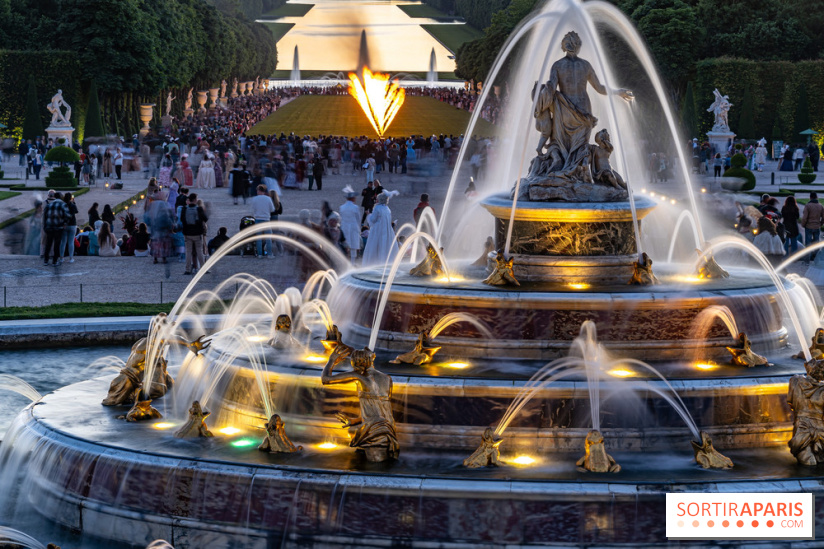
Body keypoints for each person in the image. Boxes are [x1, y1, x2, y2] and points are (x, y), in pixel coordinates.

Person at [362, 192, 398, 266]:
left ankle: (374, 264)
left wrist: (368, 215)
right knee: (385, 246)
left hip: (378, 230)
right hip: (387, 231)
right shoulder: (387, 209)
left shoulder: (377, 208)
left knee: (375, 247)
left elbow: (372, 220)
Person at [180, 193, 208, 274]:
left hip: (187, 233)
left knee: (188, 252)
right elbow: (205, 219)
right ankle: (203, 268)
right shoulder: (199, 209)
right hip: (197, 233)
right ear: (195, 199)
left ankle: (187, 269)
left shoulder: (184, 209)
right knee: (199, 251)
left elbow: (182, 219)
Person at [42, 191, 69, 266]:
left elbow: (45, 215)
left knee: (48, 244)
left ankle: (46, 260)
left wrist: (45, 226)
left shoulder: (49, 204)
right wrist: (64, 223)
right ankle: (54, 261)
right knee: (57, 244)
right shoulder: (63, 204)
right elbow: (67, 216)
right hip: (58, 227)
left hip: (49, 226)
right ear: (60, 197)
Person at [250, 184, 275, 258]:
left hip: (258, 219)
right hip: (266, 219)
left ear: (258, 190)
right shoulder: (268, 199)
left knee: (259, 238)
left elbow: (252, 209)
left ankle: (260, 254)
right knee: (268, 238)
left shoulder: (254, 199)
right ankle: (269, 254)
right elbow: (272, 209)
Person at [339, 187, 361, 263]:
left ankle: (345, 261)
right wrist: (359, 229)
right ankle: (352, 262)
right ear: (352, 198)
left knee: (346, 244)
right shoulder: (355, 207)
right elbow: (358, 219)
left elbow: (341, 218)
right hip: (353, 227)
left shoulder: (342, 207)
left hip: (344, 227)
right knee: (353, 246)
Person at [802, 192, 824, 264]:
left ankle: (806, 261)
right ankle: (816, 261)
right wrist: (820, 224)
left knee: (808, 244)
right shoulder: (820, 206)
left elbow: (805, 217)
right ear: (816, 197)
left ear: (810, 197)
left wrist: (803, 224)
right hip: (817, 226)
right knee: (816, 244)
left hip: (809, 226)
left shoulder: (808, 206)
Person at [60, 192, 78, 263]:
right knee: (71, 242)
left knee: (63, 242)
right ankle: (71, 258)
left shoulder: (62, 205)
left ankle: (61, 258)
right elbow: (76, 211)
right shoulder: (72, 205)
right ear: (70, 198)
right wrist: (73, 202)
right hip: (72, 224)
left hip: (64, 224)